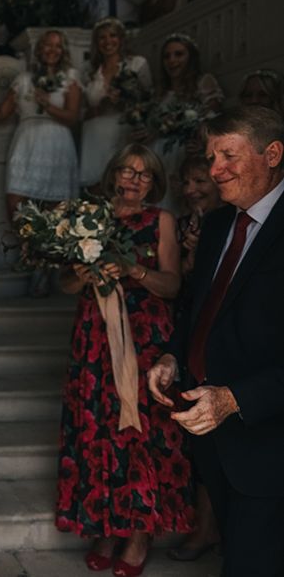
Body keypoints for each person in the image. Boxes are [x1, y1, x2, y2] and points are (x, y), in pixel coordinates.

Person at [148, 106, 284, 575]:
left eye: (228, 155)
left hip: (270, 440)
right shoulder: (217, 224)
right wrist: (172, 354)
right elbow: (195, 307)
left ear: (272, 154)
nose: (214, 170)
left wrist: (234, 398)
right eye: (211, 156)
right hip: (216, 444)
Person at [57, 144, 193, 576]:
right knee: (97, 428)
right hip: (94, 337)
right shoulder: (88, 218)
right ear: (113, 174)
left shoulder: (161, 221)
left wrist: (132, 270)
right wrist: (80, 276)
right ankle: (106, 524)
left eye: (144, 174)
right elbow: (64, 286)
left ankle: (138, 533)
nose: (134, 179)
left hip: (145, 337)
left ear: (155, 182)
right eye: (126, 171)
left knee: (139, 433)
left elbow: (172, 285)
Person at [166, 154, 223, 562]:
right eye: (187, 182)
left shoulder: (226, 225)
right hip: (185, 328)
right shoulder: (185, 224)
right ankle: (204, 525)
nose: (192, 190)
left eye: (200, 180)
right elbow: (185, 285)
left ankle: (210, 528)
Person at [0, 29, 80, 221]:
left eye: (57, 45)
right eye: (48, 45)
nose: (52, 50)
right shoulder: (24, 79)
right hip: (26, 141)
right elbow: (2, 113)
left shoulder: (70, 78)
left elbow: (72, 117)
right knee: (16, 199)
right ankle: (26, 248)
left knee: (58, 205)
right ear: (39, 48)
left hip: (57, 142)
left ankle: (52, 248)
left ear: (63, 50)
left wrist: (48, 105)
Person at [148, 33, 223, 213]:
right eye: (167, 56)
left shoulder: (203, 82)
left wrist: (199, 139)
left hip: (186, 152)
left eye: (179, 54)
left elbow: (215, 119)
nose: (172, 60)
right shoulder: (159, 91)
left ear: (191, 57)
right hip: (160, 152)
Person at [80, 17, 152, 189]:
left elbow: (149, 99)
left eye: (112, 36)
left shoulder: (136, 64)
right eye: (102, 37)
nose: (108, 41)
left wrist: (126, 103)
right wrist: (99, 107)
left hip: (123, 131)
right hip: (94, 134)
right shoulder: (89, 71)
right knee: (96, 186)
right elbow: (80, 112)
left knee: (122, 181)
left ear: (121, 38)